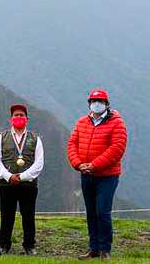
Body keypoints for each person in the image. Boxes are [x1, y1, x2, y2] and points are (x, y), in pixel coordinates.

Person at [67, 90, 127, 260]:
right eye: (93, 100)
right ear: (89, 103)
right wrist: (78, 164)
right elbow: (72, 144)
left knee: (102, 211)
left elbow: (117, 149)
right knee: (91, 212)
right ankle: (93, 248)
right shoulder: (82, 122)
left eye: (100, 101)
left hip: (107, 176)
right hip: (86, 175)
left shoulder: (117, 123)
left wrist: (94, 165)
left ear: (107, 104)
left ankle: (105, 249)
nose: (96, 103)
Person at [0, 104, 44, 256]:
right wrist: (8, 176)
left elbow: (39, 163)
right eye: (16, 115)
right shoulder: (2, 137)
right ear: (11, 119)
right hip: (7, 184)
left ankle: (29, 245)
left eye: (21, 115)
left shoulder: (35, 138)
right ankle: (3, 245)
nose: (18, 118)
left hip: (28, 185)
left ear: (27, 119)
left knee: (28, 216)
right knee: (6, 216)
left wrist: (22, 176)